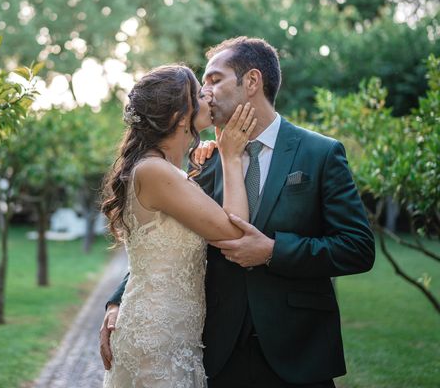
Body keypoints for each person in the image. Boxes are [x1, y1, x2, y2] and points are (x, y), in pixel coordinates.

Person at [100, 36, 376, 388]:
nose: (207, 92)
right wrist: (116, 303)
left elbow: (357, 247)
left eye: (215, 80)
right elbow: (165, 243)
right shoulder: (207, 162)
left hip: (297, 351)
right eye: (202, 86)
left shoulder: (319, 154)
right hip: (217, 353)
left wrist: (275, 252)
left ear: (251, 82)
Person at [100, 64, 258, 387]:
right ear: (179, 115)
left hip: (174, 336)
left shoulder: (163, 170)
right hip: (157, 342)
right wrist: (230, 157)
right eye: (200, 94)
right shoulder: (155, 172)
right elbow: (236, 233)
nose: (209, 97)